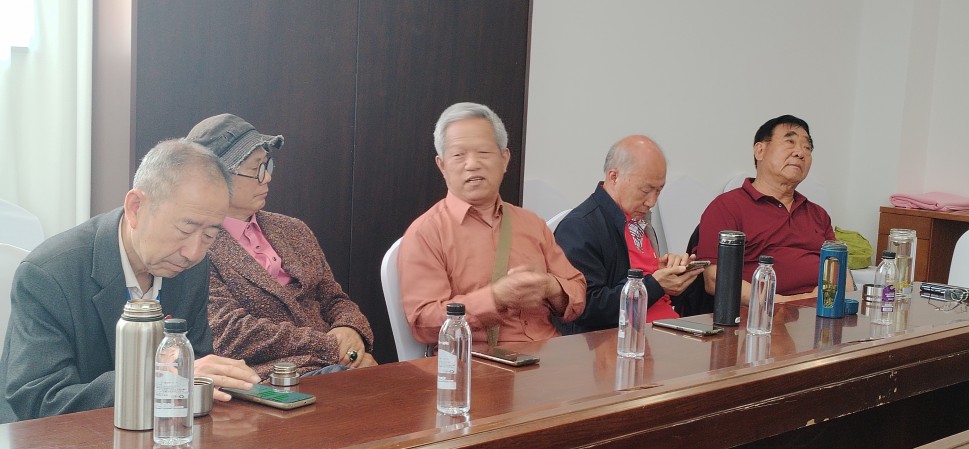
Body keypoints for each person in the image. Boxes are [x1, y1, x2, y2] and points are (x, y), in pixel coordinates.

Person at [0, 140, 261, 422]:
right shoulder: (49, 273)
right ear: (136, 207)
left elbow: (194, 361)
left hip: (162, 431)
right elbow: (40, 399)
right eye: (185, 229)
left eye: (210, 235)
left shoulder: (191, 268)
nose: (194, 252)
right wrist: (155, 380)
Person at [186, 114, 376, 377]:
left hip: (337, 366)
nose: (266, 178)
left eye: (267, 165)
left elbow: (334, 298)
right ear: (215, 178)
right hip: (272, 378)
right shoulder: (196, 247)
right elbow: (231, 334)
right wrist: (333, 347)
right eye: (256, 169)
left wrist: (350, 329)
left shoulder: (293, 229)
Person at [398, 102, 586, 345]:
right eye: (458, 155)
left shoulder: (532, 224)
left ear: (504, 159)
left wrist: (551, 287)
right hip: (476, 360)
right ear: (442, 165)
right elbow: (424, 323)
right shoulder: (426, 233)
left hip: (549, 355)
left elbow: (578, 293)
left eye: (483, 152)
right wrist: (495, 298)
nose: (472, 164)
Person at [696, 115, 853, 303]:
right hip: (760, 313)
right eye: (790, 142)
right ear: (760, 150)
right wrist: (783, 303)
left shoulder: (817, 214)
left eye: (807, 147)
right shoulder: (727, 206)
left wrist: (820, 301)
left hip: (819, 312)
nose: (800, 153)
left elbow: (842, 276)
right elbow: (715, 279)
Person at [554, 135, 702, 334]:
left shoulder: (639, 221)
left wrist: (673, 277)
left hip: (663, 330)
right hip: (618, 342)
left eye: (659, 191)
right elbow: (587, 307)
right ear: (614, 177)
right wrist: (655, 285)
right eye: (645, 190)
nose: (652, 202)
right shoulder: (579, 227)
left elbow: (651, 288)